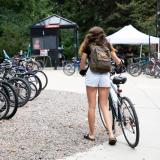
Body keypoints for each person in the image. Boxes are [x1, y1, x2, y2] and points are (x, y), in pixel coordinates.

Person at [79, 26, 122, 145]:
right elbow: (116, 60)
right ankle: (111, 134)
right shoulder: (107, 44)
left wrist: (82, 70)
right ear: (102, 34)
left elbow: (82, 62)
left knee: (92, 106)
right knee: (104, 105)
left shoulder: (88, 45)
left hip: (92, 75)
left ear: (91, 35)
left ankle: (92, 135)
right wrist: (120, 64)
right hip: (104, 75)